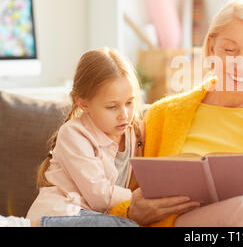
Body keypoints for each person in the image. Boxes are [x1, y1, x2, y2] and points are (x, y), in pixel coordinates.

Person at [108, 0, 243, 227]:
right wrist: (132, 211)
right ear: (211, 47)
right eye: (229, 50)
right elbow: (116, 200)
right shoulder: (160, 117)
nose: (241, 63)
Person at [1, 48, 144, 227]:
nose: (124, 114)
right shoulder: (73, 134)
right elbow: (99, 196)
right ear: (83, 103)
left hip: (98, 217)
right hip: (62, 214)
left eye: (130, 103)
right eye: (112, 107)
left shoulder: (135, 132)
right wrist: (138, 197)